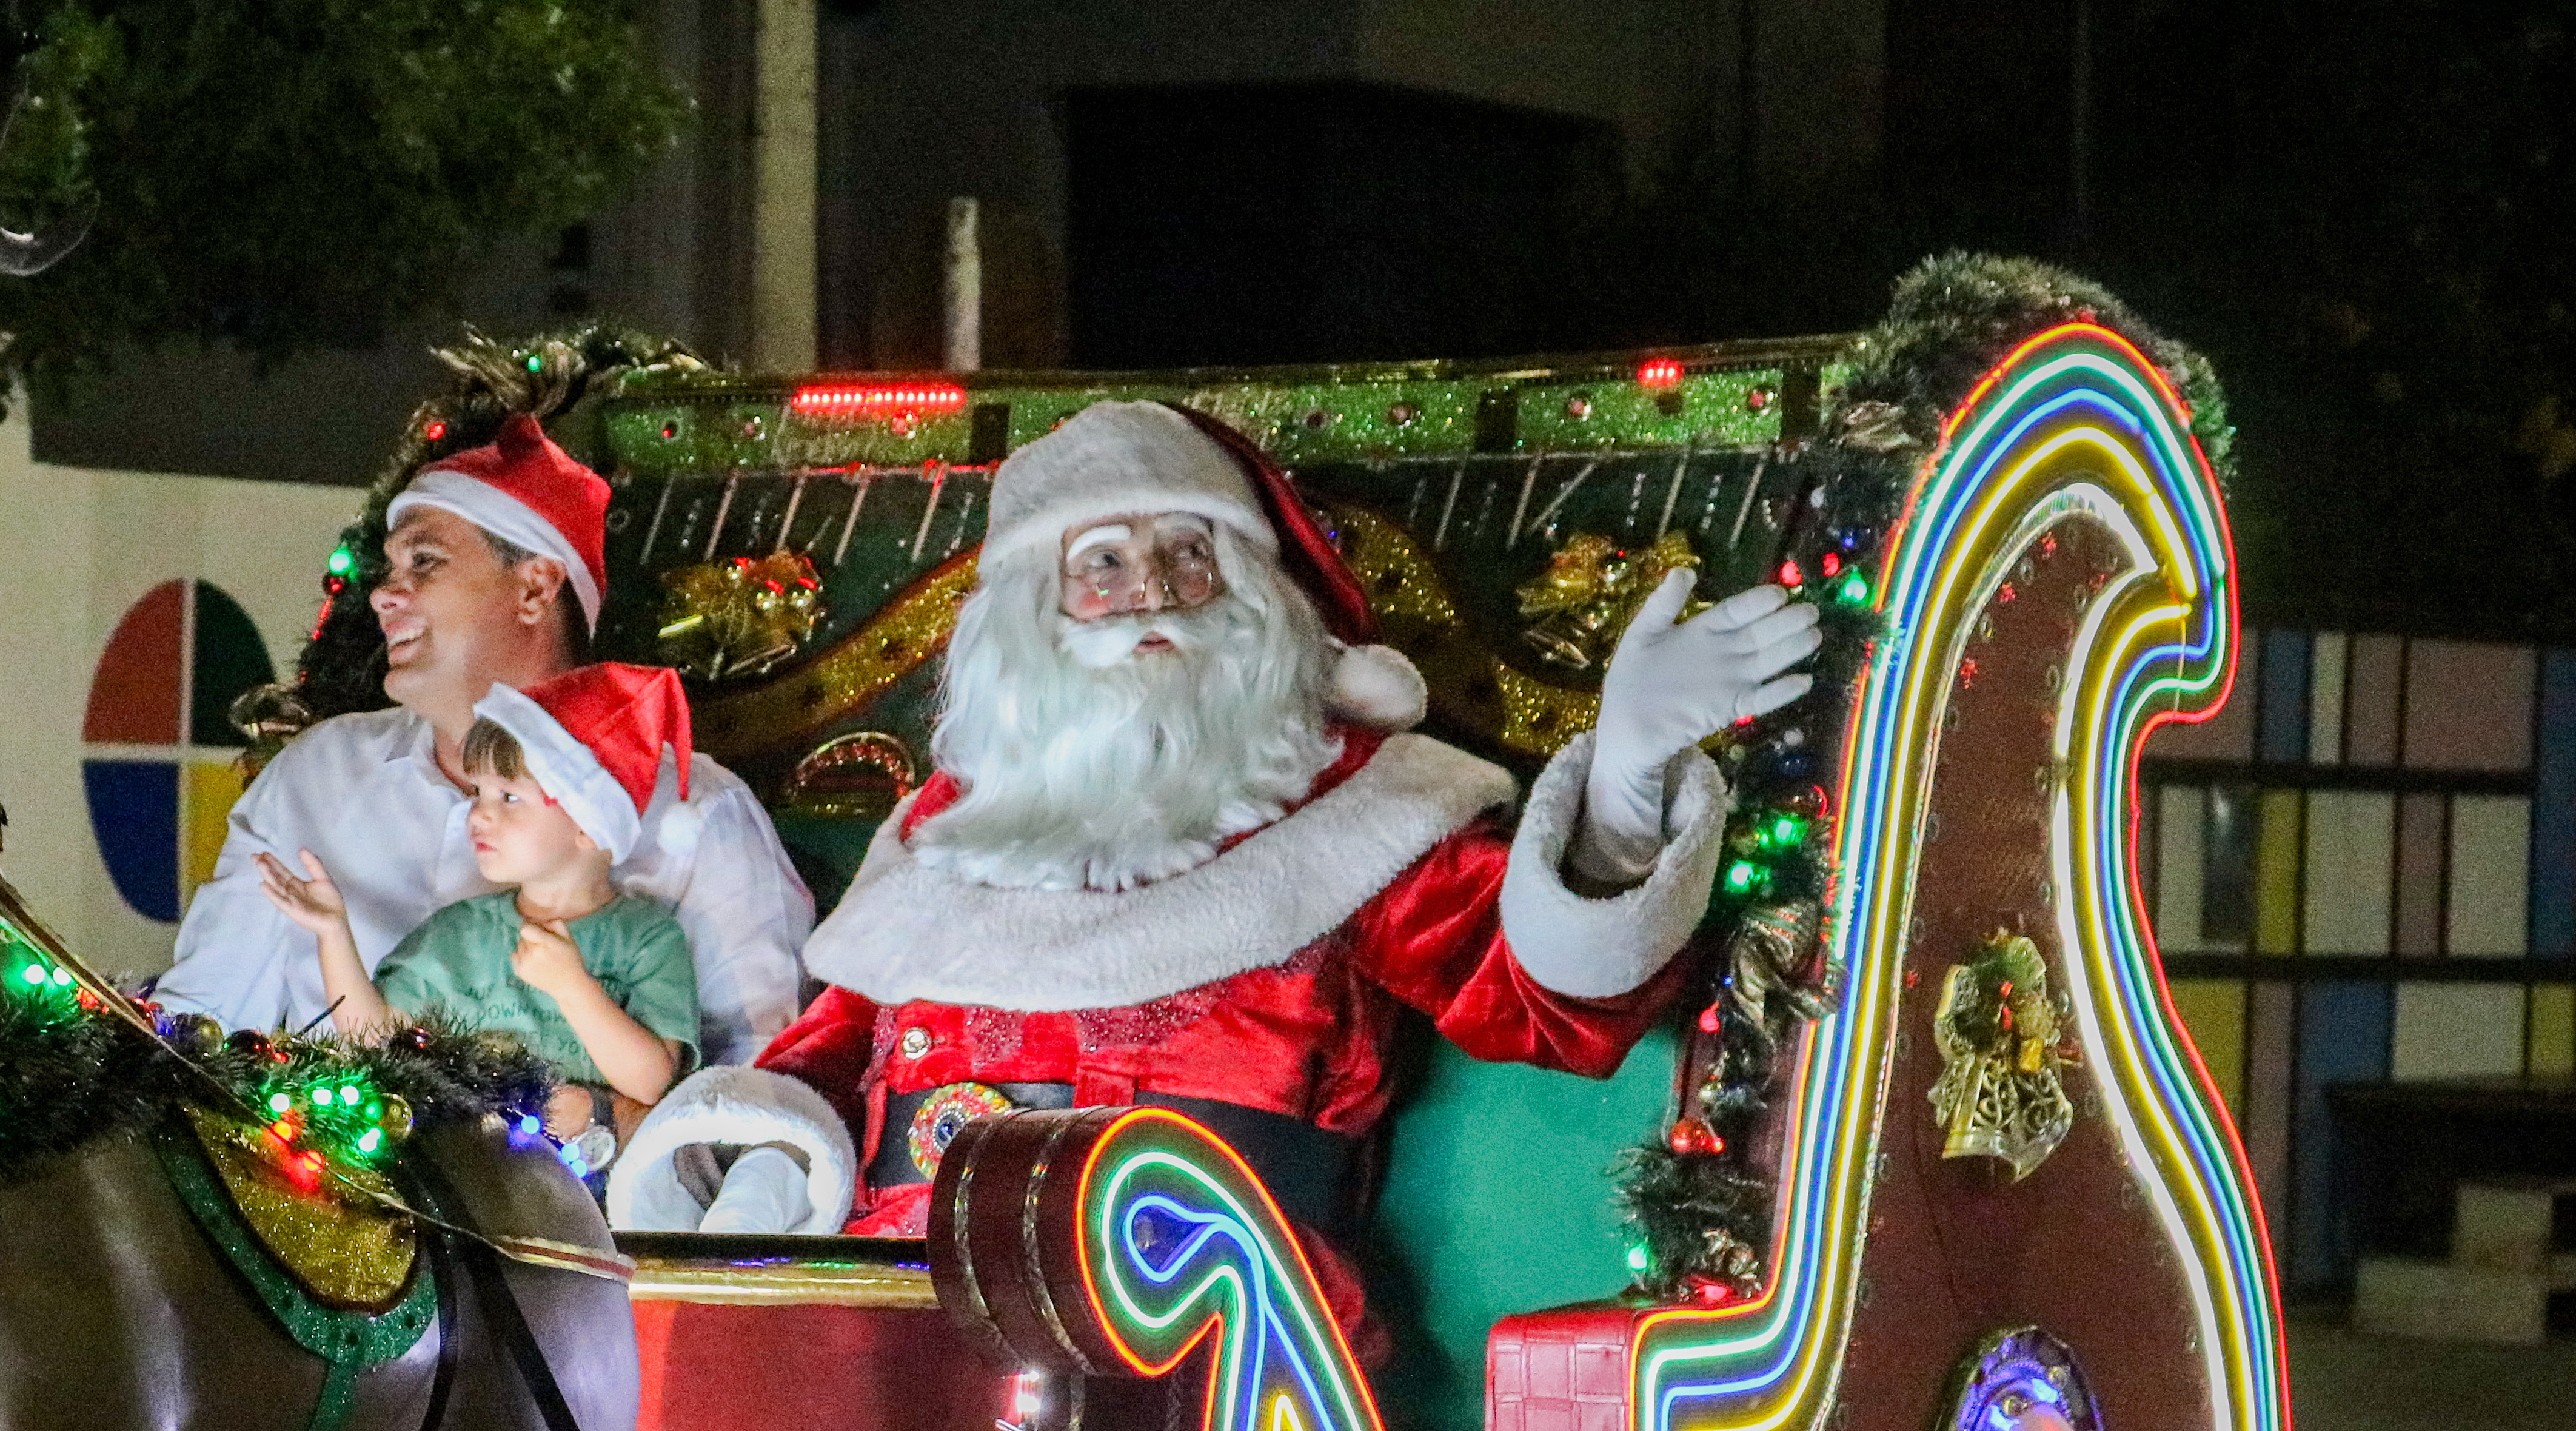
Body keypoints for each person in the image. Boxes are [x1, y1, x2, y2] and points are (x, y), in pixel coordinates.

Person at [606, 398, 1819, 1321]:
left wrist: (1628, 776)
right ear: (1038, 611)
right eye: (1106, 566)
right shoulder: (951, 825)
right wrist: (748, 1150)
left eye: (1189, 557)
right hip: (895, 1305)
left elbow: (1546, 1003)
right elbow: (830, 1055)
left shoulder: (1355, 805)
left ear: (1250, 596)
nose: (1152, 599)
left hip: (1193, 1323)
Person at [152, 412, 812, 1062]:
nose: (385, 594)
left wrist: (594, 1124)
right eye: (389, 568)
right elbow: (195, 1030)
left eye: (425, 561)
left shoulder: (695, 816)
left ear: (534, 587)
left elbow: (759, 1088)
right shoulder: (315, 777)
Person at [257, 664, 698, 1181]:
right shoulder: (457, 934)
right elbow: (378, 1042)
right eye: (477, 794)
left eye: (508, 797)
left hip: (592, 1203)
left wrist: (572, 986)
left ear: (586, 823)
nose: (478, 816)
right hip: (468, 1189)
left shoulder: (646, 938)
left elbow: (651, 1082)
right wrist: (334, 934)